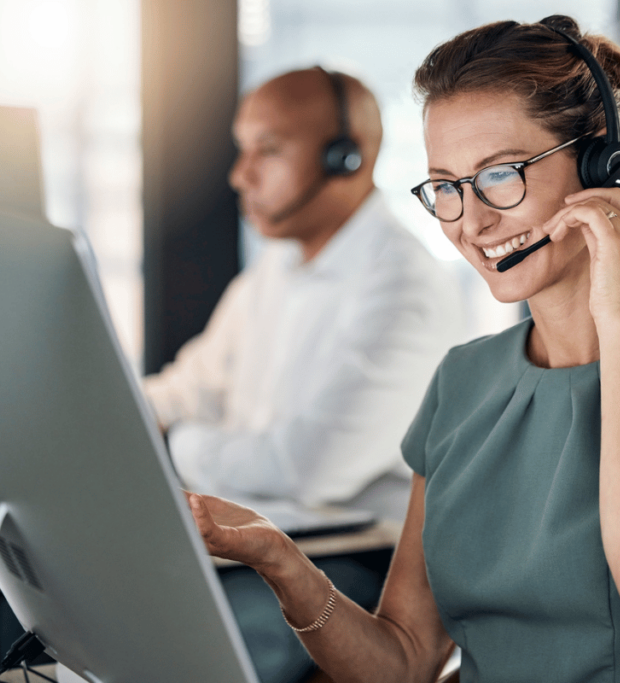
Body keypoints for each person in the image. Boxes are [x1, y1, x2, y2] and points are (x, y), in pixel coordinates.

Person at [185, 16, 620, 683]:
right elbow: (403, 660)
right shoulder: (464, 380)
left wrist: (619, 314)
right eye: (446, 186)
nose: (472, 221)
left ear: (602, 163)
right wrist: (278, 557)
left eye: (500, 175)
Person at [143, 67, 464, 519]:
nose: (240, 175)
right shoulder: (277, 267)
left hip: (354, 558)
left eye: (268, 150)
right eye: (242, 150)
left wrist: (177, 440)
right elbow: (191, 389)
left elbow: (306, 470)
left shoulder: (404, 286)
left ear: (346, 157)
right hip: (256, 528)